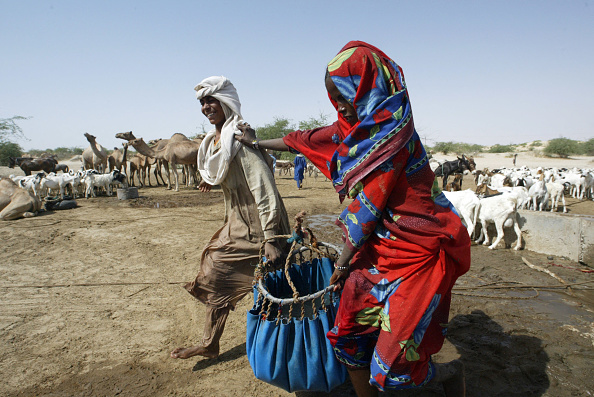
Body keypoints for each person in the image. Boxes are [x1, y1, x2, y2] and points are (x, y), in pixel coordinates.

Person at [236, 42, 470, 396]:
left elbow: (367, 210)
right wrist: (256, 142)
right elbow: (302, 140)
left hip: (416, 257)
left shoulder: (391, 137)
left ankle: (447, 380)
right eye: (333, 98)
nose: (340, 106)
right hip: (374, 254)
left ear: (367, 89)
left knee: (396, 360)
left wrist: (342, 265)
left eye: (343, 96)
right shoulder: (353, 129)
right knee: (348, 337)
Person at [170, 76, 290, 360]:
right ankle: (211, 343)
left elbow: (264, 188)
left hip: (260, 225)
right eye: (202, 102)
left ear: (226, 101)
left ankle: (286, 350)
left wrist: (271, 237)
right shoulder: (216, 142)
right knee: (218, 271)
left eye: (211, 100)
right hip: (238, 222)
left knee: (272, 284)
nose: (206, 106)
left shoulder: (238, 138)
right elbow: (226, 172)